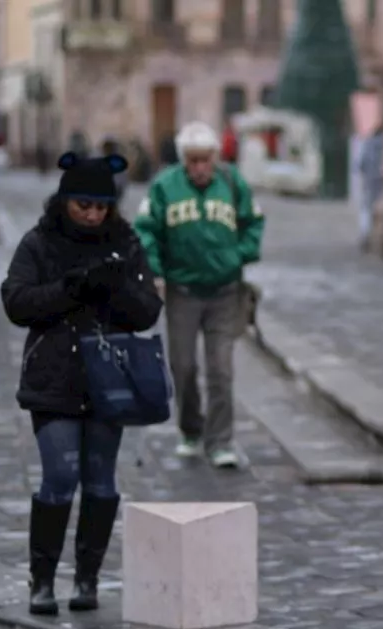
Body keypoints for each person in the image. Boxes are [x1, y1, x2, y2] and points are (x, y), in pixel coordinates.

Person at [1, 152, 164, 616]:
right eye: (84, 206)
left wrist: (116, 288)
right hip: (53, 377)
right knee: (59, 475)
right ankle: (43, 581)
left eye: (101, 207)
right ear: (66, 201)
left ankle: (88, 579)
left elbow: (149, 309)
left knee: (100, 481)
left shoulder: (125, 242)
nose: (93, 215)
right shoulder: (40, 243)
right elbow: (16, 301)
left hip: (108, 379)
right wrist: (69, 289)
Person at [134, 121, 265, 469]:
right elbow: (146, 231)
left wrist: (240, 255)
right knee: (184, 366)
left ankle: (220, 440)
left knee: (221, 369)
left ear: (214, 158)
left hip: (225, 291)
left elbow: (253, 222)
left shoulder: (232, 183)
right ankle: (191, 429)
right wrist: (156, 271)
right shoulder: (164, 187)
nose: (199, 168)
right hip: (183, 292)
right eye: (192, 161)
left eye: (205, 160)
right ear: (183, 160)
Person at [356, 126, 383, 250]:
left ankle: (366, 238)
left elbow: (361, 164)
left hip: (370, 184)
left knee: (367, 211)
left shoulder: (369, 143)